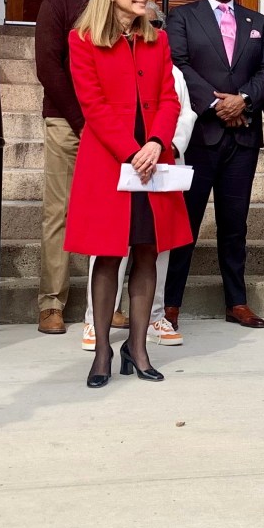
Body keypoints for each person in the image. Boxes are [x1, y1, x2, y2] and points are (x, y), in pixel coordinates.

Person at [64, 0, 192, 388]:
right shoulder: (82, 39)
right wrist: (132, 151)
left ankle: (137, 348)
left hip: (153, 159)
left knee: (147, 251)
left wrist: (156, 143)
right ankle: (102, 350)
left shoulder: (158, 40)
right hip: (109, 162)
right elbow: (92, 105)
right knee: (107, 254)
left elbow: (170, 99)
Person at [164, 0, 264, 329]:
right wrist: (215, 103)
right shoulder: (182, 17)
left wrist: (243, 100)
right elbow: (178, 64)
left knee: (235, 225)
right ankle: (170, 303)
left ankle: (237, 302)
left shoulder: (257, 20)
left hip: (242, 138)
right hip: (200, 136)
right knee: (186, 222)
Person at [34, 0, 117, 335]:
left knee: (111, 215)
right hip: (69, 123)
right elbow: (49, 69)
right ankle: (51, 303)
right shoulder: (59, 3)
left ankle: (106, 305)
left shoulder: (121, 2)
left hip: (112, 127)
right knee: (60, 212)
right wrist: (83, 123)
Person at [81, 63, 196, 350]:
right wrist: (132, 151)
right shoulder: (109, 60)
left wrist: (167, 145)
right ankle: (95, 320)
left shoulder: (173, 72)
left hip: (160, 161)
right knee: (108, 246)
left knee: (157, 247)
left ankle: (155, 317)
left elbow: (183, 112)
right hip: (119, 159)